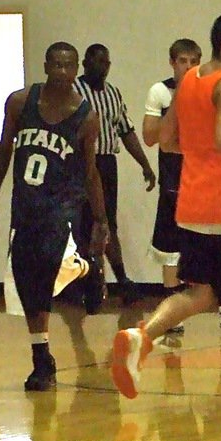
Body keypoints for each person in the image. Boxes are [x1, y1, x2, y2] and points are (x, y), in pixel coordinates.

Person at [110, 12, 221, 406]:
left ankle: (142, 336)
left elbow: (164, 139)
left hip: (193, 206)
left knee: (201, 293)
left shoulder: (189, 81)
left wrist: (204, 154)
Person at [0, 41, 109, 391]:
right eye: (56, 64)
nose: (62, 71)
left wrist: (100, 219)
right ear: (45, 66)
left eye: (68, 66)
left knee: (58, 268)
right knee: (29, 286)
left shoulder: (85, 116)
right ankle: (42, 360)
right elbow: (3, 152)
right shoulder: (21, 103)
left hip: (63, 208)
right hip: (25, 207)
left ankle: (89, 269)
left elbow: (91, 172)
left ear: (75, 71)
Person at [142, 38, 221, 337]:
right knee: (171, 249)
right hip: (174, 183)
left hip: (209, 181)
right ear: (172, 62)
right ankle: (174, 312)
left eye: (193, 61)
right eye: (182, 61)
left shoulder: (213, 89)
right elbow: (150, 136)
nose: (188, 66)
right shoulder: (160, 92)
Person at [75, 43, 157, 308]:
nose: (103, 67)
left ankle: (120, 281)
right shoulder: (74, 92)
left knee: (107, 222)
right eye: (98, 62)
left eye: (107, 63)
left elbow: (126, 131)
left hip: (107, 163)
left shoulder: (112, 93)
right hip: (80, 163)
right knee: (84, 223)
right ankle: (88, 282)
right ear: (86, 63)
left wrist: (145, 164)